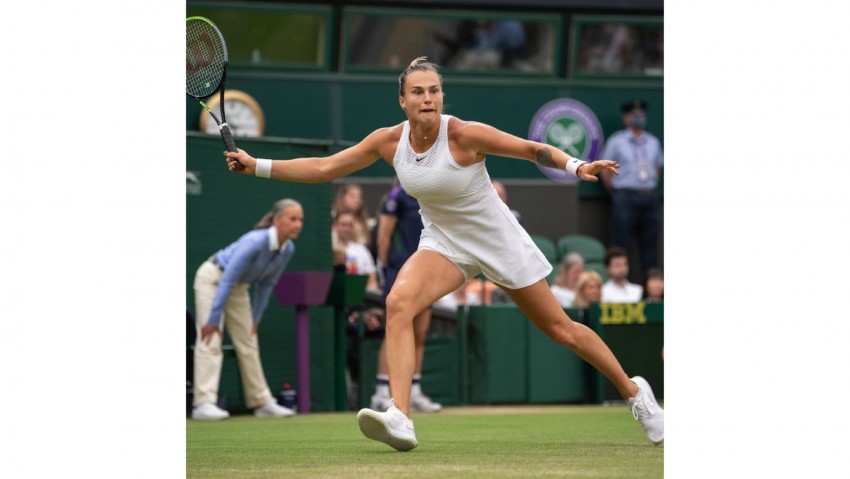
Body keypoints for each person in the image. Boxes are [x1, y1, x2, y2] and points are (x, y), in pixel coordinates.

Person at [224, 57, 663, 449]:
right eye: (418, 91)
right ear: (402, 101)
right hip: (444, 243)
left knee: (561, 330)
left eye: (434, 90)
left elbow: (533, 150)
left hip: (498, 241)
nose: (428, 98)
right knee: (398, 302)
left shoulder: (466, 135)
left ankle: (634, 393)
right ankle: (401, 416)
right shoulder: (386, 141)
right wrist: (257, 165)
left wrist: (576, 165)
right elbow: (324, 168)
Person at [191, 199, 303, 420]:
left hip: (238, 287)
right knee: (210, 339)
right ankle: (203, 403)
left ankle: (261, 402)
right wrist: (214, 318)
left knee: (248, 342)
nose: (298, 224)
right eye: (293, 219)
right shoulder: (254, 242)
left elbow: (266, 284)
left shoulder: (288, 248)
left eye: (300, 220)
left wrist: (256, 319)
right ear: (277, 220)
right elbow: (228, 278)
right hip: (213, 279)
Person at [370, 181, 442, 413]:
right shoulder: (397, 196)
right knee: (396, 329)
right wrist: (388, 270)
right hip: (399, 270)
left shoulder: (431, 193)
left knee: (419, 333)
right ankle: (381, 393)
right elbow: (383, 239)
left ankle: (415, 392)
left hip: (427, 270)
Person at [599, 99, 664, 280]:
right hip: (625, 196)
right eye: (634, 115)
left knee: (651, 247)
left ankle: (652, 292)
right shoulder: (617, 141)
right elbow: (604, 170)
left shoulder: (653, 142)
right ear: (626, 118)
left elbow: (657, 167)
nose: (638, 118)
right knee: (622, 244)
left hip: (649, 197)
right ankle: (621, 288)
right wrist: (617, 192)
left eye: (641, 115)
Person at [333, 211, 380, 293]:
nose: (346, 229)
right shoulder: (329, 249)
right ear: (335, 226)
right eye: (343, 224)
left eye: (350, 225)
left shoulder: (362, 250)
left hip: (359, 296)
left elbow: (372, 280)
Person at [331, 184, 373, 248]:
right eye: (352, 196)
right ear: (343, 197)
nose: (357, 200)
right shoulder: (333, 217)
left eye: (359, 197)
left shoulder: (365, 222)